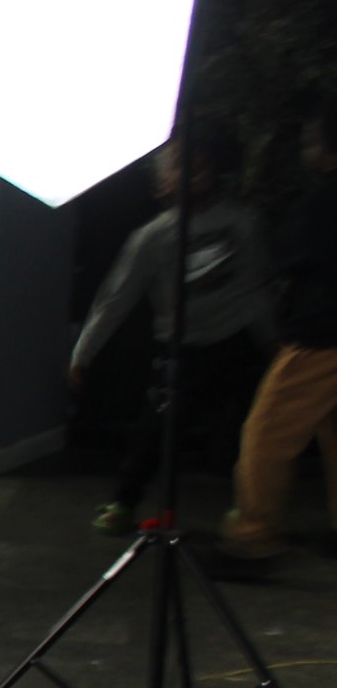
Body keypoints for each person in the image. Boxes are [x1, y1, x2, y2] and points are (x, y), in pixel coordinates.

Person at [68, 128, 280, 535]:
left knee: (249, 431)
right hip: (180, 349)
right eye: (179, 165)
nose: (192, 171)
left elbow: (255, 290)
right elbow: (115, 298)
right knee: (154, 431)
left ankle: (250, 510)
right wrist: (83, 354)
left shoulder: (241, 223)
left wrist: (271, 342)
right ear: (161, 183)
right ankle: (124, 501)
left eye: (198, 162)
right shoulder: (152, 238)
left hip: (234, 342)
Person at [210, 100, 337, 573]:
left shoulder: (321, 203)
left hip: (320, 335)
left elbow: (289, 257)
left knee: (266, 433)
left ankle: (254, 538)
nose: (305, 151)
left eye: (311, 142)